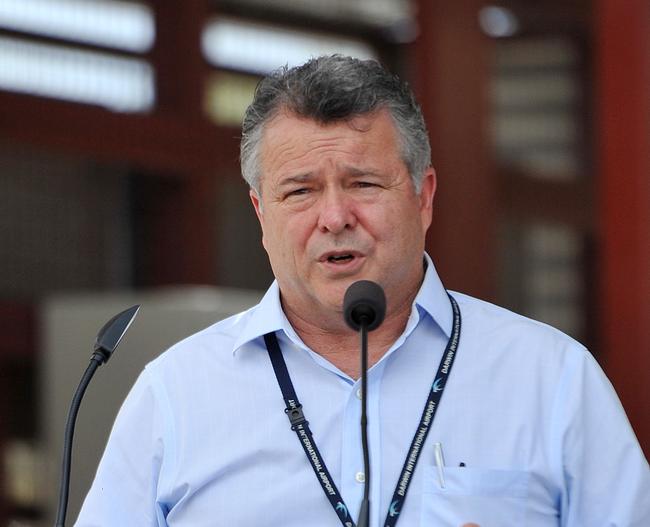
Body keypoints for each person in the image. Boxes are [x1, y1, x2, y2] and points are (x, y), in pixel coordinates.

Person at [75, 55, 650, 526]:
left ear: (423, 197)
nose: (334, 216)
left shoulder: (552, 378)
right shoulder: (176, 392)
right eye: (299, 191)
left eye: (363, 183)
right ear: (260, 214)